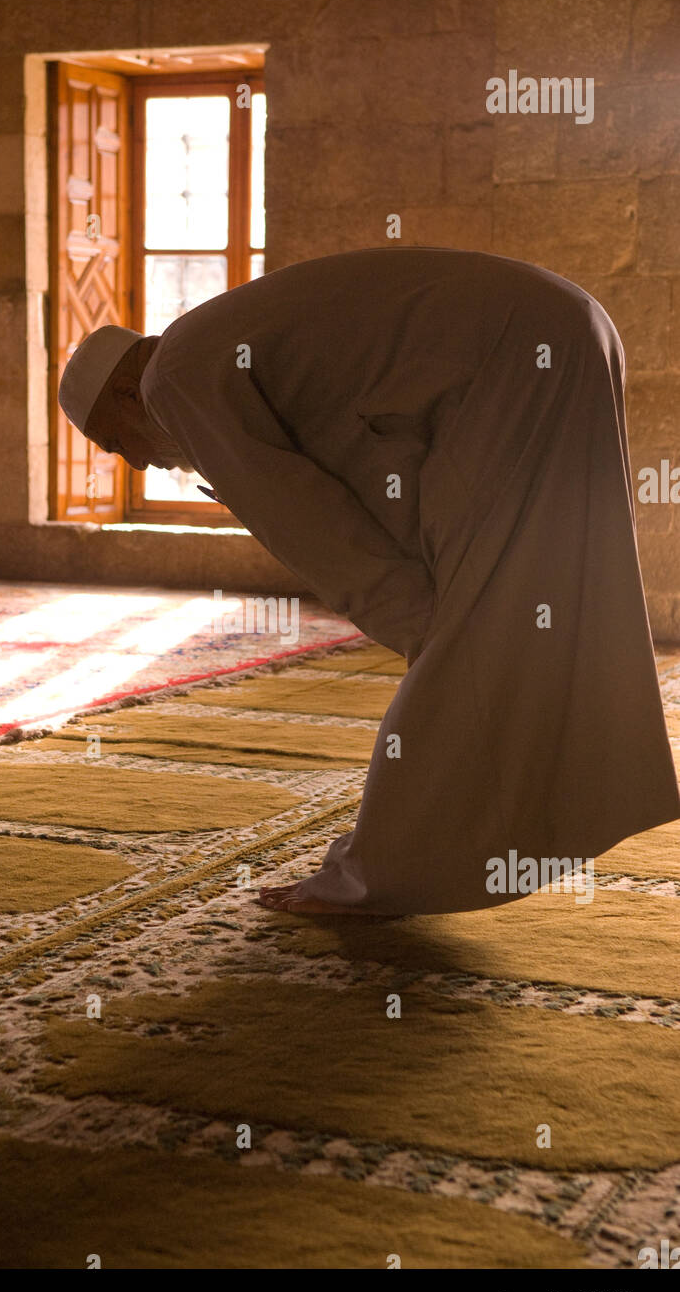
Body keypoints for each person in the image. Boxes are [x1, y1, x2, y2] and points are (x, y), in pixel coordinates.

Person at [58, 246, 680, 917]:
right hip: (566, 326)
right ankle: (583, 798)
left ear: (126, 392)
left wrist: (423, 627)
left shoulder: (171, 380)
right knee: (544, 594)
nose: (139, 466)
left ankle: (379, 877)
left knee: (473, 628)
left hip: (517, 357)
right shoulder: (200, 349)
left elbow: (302, 517)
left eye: (117, 445)